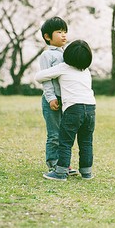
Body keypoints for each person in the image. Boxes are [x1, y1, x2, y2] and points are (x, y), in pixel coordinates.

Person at [35, 40, 96, 181]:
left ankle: (60, 172)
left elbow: (38, 77)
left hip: (74, 109)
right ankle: (87, 172)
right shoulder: (86, 71)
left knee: (65, 142)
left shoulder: (63, 67)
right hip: (91, 108)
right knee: (86, 142)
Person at [39, 16, 77, 175]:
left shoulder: (66, 54)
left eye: (65, 32)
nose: (64, 35)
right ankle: (54, 164)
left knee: (65, 133)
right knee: (54, 134)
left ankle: (64, 164)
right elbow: (45, 79)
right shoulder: (47, 56)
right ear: (47, 36)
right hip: (53, 100)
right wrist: (51, 98)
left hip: (67, 99)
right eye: (59, 32)